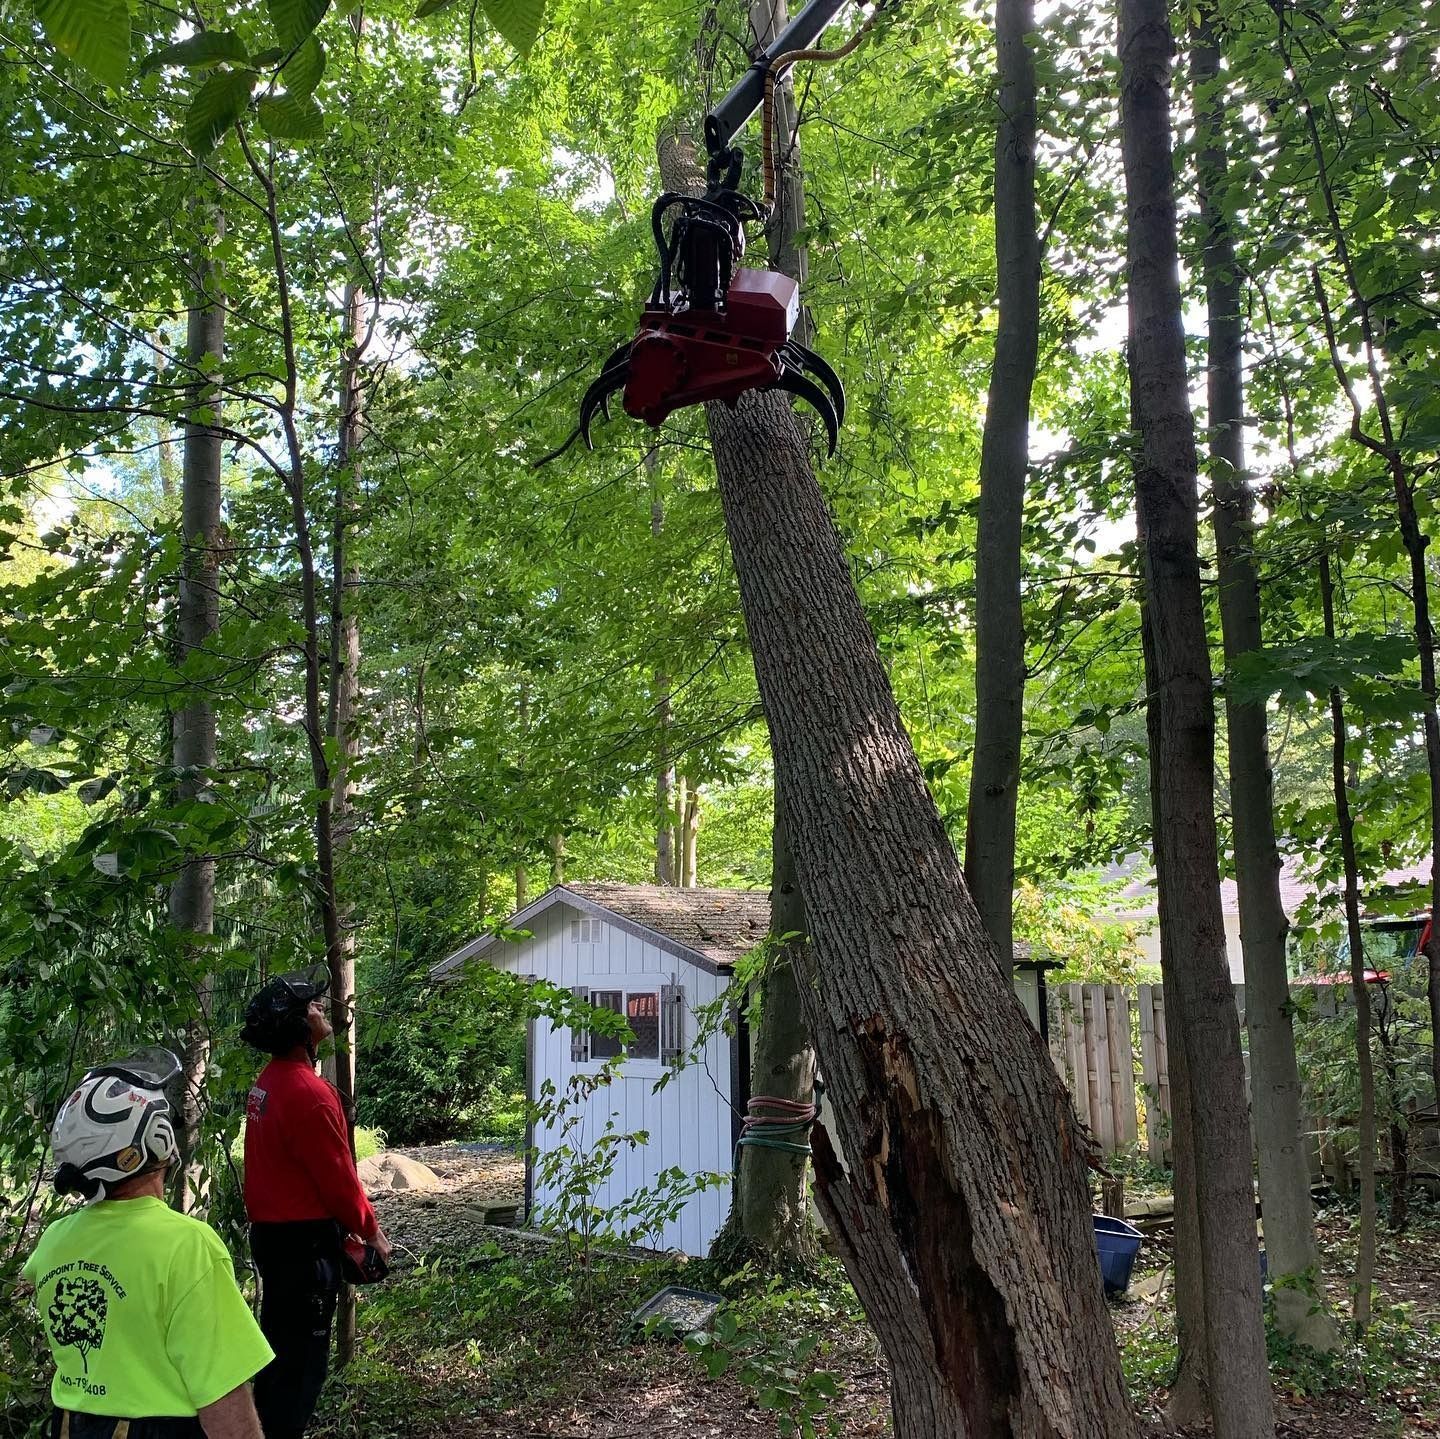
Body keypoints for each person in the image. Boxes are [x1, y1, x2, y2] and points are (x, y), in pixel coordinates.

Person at [23, 1047, 273, 1439]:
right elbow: (226, 1408)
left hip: (72, 1426)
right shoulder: (188, 1246)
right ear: (155, 1141)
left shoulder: (54, 1240)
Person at [241, 970, 390, 1439]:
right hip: (304, 1251)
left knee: (280, 1356)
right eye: (312, 1007)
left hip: (274, 1240)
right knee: (300, 1371)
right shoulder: (309, 1095)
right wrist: (373, 1233)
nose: (320, 1009)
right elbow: (339, 1181)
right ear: (298, 1028)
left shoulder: (269, 1082)